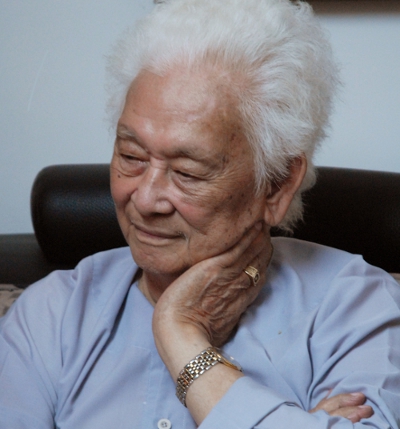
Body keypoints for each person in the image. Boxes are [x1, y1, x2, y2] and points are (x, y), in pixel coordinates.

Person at [1, 0, 399, 427]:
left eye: (187, 172)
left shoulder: (355, 307)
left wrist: (180, 335)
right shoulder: (53, 315)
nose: (145, 199)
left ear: (277, 184)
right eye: (131, 156)